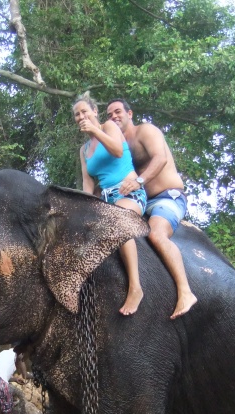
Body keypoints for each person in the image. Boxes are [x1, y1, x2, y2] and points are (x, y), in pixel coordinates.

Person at [106, 98, 198, 319]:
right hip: (142, 203)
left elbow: (161, 158)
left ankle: (186, 291)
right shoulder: (118, 145)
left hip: (167, 197)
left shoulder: (145, 131)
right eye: (109, 115)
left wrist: (139, 181)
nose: (114, 117)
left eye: (118, 112)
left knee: (157, 235)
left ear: (130, 113)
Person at [74, 91, 148, 316]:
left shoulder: (108, 127)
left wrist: (95, 130)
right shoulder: (84, 150)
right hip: (105, 199)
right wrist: (84, 209)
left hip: (129, 193)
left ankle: (136, 287)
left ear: (94, 111)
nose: (80, 117)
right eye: (76, 115)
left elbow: (117, 150)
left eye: (84, 111)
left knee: (117, 221)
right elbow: (88, 183)